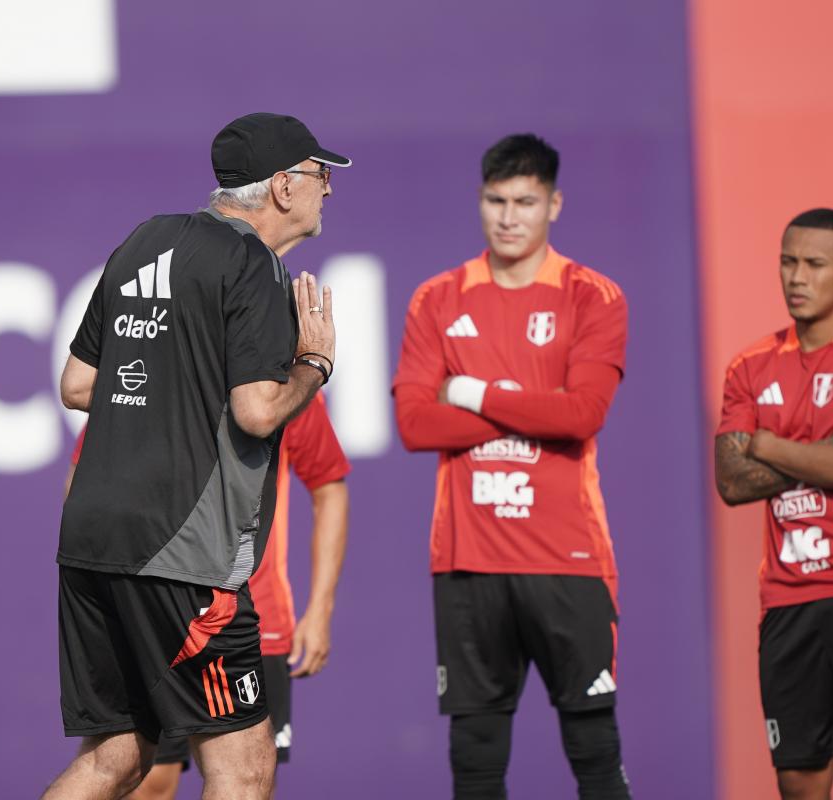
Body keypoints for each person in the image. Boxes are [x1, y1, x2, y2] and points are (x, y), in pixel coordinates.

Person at [44, 112, 349, 800]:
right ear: (281, 186)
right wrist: (316, 362)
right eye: (320, 174)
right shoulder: (255, 266)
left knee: (117, 757)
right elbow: (257, 410)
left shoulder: (143, 240)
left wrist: (176, 385)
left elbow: (78, 384)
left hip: (91, 542)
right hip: (182, 553)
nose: (328, 189)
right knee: (243, 768)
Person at [392, 134, 631, 799]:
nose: (509, 216)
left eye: (526, 201)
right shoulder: (438, 299)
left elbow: (583, 415)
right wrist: (533, 406)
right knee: (475, 758)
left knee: (594, 749)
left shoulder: (592, 297)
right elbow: (414, 424)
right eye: (496, 200)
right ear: (480, 200)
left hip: (567, 557)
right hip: (469, 562)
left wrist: (470, 393)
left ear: (554, 204)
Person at [63, 391, 350, 799]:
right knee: (155, 780)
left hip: (251, 615)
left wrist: (320, 610)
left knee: (241, 776)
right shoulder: (173, 361)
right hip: (168, 604)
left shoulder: (284, 381)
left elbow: (329, 486)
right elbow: (83, 472)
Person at [714, 208, 833, 799]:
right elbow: (733, 482)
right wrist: (814, 448)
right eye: (788, 262)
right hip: (789, 599)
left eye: (815, 264)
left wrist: (767, 444)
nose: (797, 277)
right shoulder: (749, 365)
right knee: (799, 778)